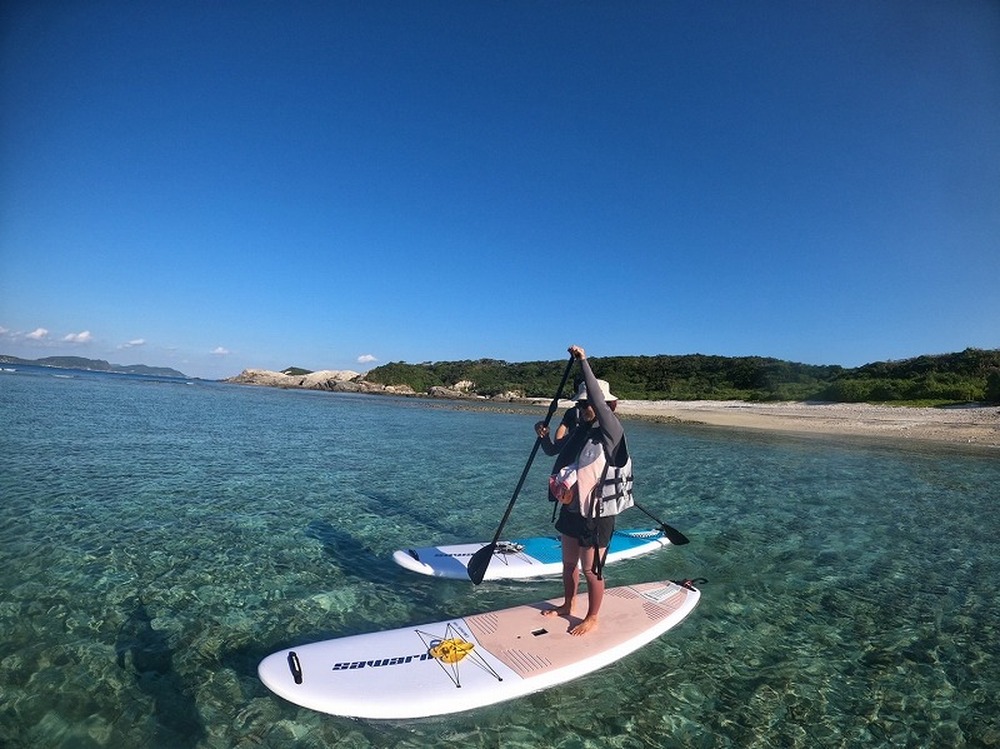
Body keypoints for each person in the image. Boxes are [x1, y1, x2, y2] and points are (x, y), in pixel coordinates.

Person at [534, 344, 629, 636]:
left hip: (597, 515)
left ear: (606, 406)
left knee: (591, 570)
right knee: (567, 564)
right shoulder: (580, 430)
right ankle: (568, 604)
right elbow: (554, 453)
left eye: (587, 404)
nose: (583, 408)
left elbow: (598, 401)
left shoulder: (612, 431)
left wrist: (583, 361)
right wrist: (543, 438)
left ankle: (593, 616)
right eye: (579, 404)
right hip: (572, 509)